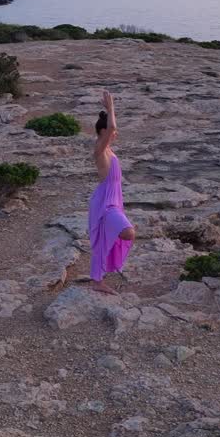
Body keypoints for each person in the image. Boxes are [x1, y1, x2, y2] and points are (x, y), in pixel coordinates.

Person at [88, 90, 135, 294]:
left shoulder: (109, 151)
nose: (115, 133)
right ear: (103, 132)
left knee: (110, 237)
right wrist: (111, 108)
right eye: (110, 131)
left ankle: (98, 279)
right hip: (105, 203)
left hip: (114, 200)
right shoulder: (100, 148)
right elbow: (113, 126)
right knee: (127, 232)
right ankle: (98, 281)